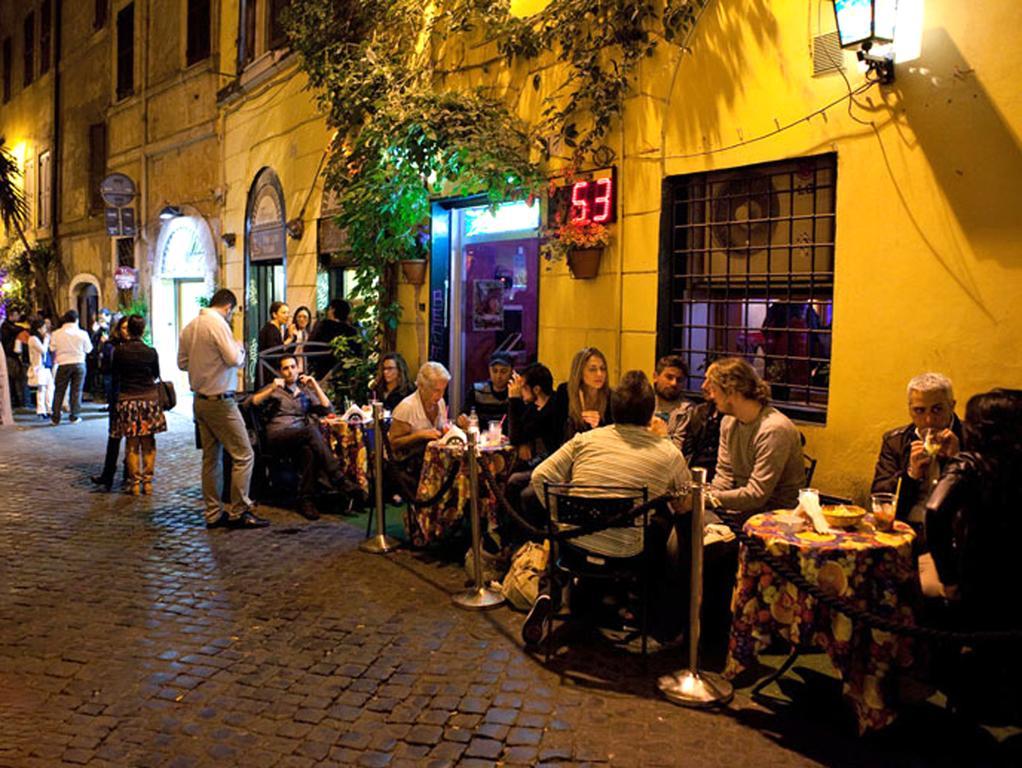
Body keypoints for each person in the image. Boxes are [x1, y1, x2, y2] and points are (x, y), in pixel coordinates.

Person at [522, 371, 693, 645]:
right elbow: (685, 503)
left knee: (566, 528)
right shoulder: (667, 452)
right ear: (651, 412)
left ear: (613, 407)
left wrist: (559, 515)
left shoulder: (585, 440)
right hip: (628, 554)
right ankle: (651, 613)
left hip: (573, 547)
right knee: (663, 521)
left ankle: (551, 592)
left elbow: (540, 476)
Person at [924, 389, 1022, 629]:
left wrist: (948, 579)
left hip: (975, 577)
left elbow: (935, 512)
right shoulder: (1012, 462)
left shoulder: (968, 464)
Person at [178, 289, 267, 529]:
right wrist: (240, 346)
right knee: (244, 454)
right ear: (228, 307)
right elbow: (234, 359)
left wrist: (203, 365)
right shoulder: (217, 325)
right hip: (221, 401)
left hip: (200, 400)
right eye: (232, 313)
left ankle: (213, 513)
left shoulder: (190, 326)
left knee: (211, 458)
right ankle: (240, 510)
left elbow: (182, 363)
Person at [704, 357, 804, 517]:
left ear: (730, 392)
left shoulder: (773, 429)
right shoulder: (728, 422)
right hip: (743, 509)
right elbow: (725, 475)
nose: (709, 395)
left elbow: (757, 495)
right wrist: (702, 502)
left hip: (776, 516)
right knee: (687, 520)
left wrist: (705, 499)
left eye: (713, 388)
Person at [251, 355, 344, 520]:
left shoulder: (304, 391)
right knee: (310, 431)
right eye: (286, 368)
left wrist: (314, 384)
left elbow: (327, 408)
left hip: (299, 438)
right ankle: (336, 474)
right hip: (277, 436)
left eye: (293, 367)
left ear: (298, 369)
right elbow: (250, 403)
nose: (290, 371)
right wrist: (271, 389)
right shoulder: (274, 389)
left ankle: (305, 501)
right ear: (281, 371)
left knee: (308, 450)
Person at [872, 372, 963, 533]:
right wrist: (911, 475)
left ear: (952, 406)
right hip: (907, 529)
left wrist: (958, 461)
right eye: (919, 411)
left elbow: (987, 502)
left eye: (937, 409)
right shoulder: (895, 441)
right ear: (910, 410)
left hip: (953, 534)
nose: (928, 420)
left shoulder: (972, 437)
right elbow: (880, 499)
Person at [109, 315, 166, 495]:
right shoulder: (151, 352)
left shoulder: (119, 352)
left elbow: (114, 375)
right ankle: (147, 482)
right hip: (149, 399)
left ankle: (134, 483)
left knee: (132, 443)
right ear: (143, 330)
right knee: (149, 442)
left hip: (127, 399)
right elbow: (156, 374)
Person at [91, 316, 130, 491]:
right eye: (123, 328)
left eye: (129, 328)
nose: (126, 332)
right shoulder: (111, 346)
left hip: (131, 395)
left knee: (132, 437)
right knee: (114, 436)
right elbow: (105, 368)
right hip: (117, 393)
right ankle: (108, 474)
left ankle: (130, 472)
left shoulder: (135, 347)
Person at [389, 362, 450, 469]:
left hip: (433, 460)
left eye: (443, 390)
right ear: (421, 386)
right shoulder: (407, 407)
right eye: (436, 390)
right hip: (408, 465)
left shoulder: (440, 402)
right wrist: (420, 435)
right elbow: (393, 444)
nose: (440, 395)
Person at [551, 346, 613, 443]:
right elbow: (556, 432)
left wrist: (597, 426)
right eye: (592, 369)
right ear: (579, 372)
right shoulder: (565, 392)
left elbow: (612, 436)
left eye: (603, 369)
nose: (599, 374)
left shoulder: (611, 396)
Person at [667, 379, 723, 482]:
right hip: (695, 475)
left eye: (710, 381)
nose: (703, 386)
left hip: (719, 478)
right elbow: (688, 451)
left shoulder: (733, 419)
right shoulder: (699, 412)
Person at [50, 310, 93, 425]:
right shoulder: (82, 333)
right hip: (79, 363)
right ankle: (74, 416)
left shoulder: (56, 333)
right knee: (76, 391)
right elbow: (89, 349)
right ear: (77, 320)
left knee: (59, 390)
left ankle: (56, 416)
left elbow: (52, 348)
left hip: (63, 363)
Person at [461, 351, 513, 433]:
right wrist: (462, 419)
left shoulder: (515, 393)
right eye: (495, 371)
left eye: (503, 371)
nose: (498, 376)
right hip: (481, 439)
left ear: (511, 372)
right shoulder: (477, 390)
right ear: (489, 370)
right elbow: (464, 414)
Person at [309, 298, 359, 379]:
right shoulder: (351, 331)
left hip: (322, 369)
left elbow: (309, 348)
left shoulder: (323, 326)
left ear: (332, 310)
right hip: (345, 371)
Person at [256, 301, 296, 387]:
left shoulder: (275, 329)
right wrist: (290, 339)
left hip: (270, 370)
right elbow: (275, 350)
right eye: (284, 313)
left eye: (288, 313)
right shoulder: (271, 329)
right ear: (274, 314)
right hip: (267, 372)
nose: (287, 316)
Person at [26, 316, 53, 420]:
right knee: (41, 389)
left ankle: (49, 408)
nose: (45, 330)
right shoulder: (33, 339)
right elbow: (43, 350)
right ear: (38, 329)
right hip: (39, 368)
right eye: (44, 327)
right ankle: (41, 410)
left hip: (46, 366)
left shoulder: (38, 338)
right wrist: (46, 340)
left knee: (50, 388)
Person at [2, 306, 27, 408]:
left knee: (13, 378)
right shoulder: (7, 327)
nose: (19, 317)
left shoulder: (9, 326)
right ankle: (18, 401)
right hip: (9, 355)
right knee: (15, 378)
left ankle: (15, 400)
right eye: (17, 315)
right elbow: (16, 330)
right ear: (11, 316)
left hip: (10, 355)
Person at [652, 354, 688, 422]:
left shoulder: (687, 411)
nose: (674, 383)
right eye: (669, 377)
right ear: (655, 377)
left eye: (679, 380)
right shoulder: (643, 404)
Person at [291, 306, 313, 373]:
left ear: (309, 320)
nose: (302, 319)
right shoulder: (291, 331)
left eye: (304, 317)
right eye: (299, 317)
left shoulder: (311, 333)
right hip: (294, 366)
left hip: (308, 367)